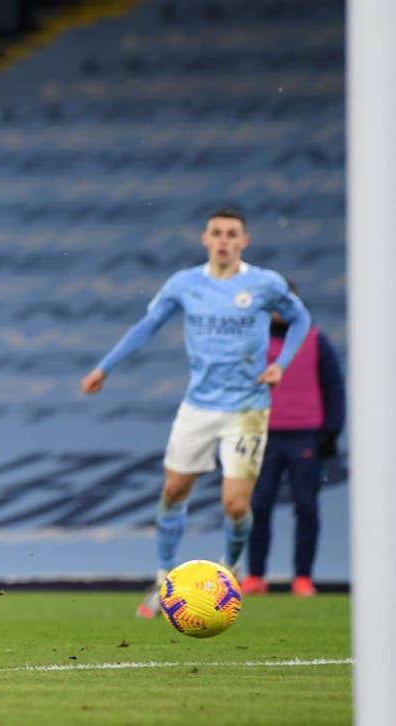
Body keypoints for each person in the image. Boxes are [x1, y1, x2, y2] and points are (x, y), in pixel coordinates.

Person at [79, 208, 312, 618]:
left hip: (247, 408)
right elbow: (148, 325)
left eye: (232, 234)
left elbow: (300, 318)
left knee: (236, 505)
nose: (224, 240)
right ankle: (163, 580)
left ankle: (229, 574)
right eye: (217, 233)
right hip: (198, 407)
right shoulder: (184, 284)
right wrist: (104, 367)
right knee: (173, 491)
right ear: (205, 239)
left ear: (244, 241)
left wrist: (282, 363)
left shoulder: (264, 284)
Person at [241, 284, 345, 597]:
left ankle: (302, 577)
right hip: (264, 434)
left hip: (305, 435)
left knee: (306, 506)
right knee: (258, 506)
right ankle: (256, 576)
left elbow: (334, 388)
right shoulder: (254, 341)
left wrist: (330, 431)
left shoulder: (314, 340)